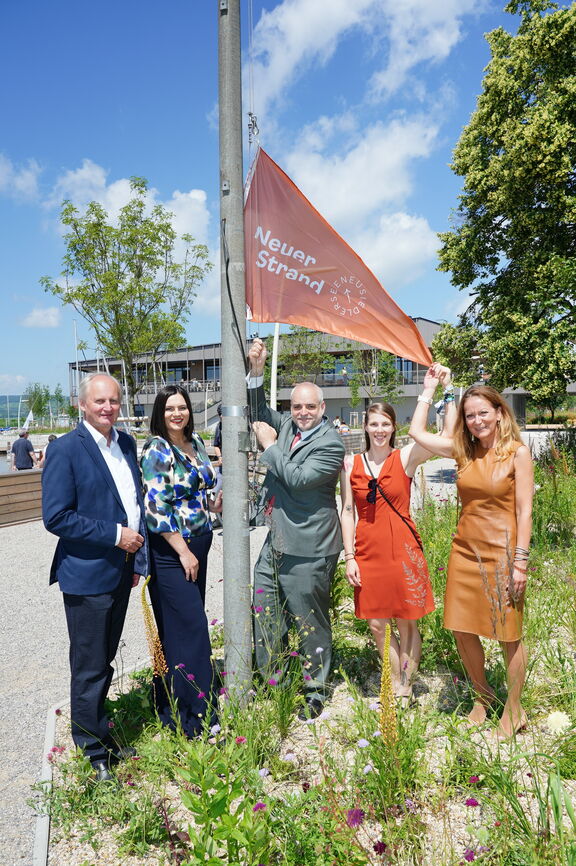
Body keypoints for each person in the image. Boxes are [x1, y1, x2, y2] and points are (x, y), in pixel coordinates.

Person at [409, 374, 533, 738]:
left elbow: (525, 511)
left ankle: (514, 710)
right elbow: (417, 433)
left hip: (504, 553)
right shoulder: (464, 450)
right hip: (464, 550)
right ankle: (484, 697)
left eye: (483, 413)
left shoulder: (517, 453)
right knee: (462, 629)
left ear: (499, 413)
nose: (476, 421)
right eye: (469, 415)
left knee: (509, 634)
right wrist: (428, 391)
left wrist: (521, 562)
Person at [42, 373, 148, 782]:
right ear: (82, 405)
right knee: (89, 665)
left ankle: (101, 733)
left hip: (120, 571)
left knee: (104, 660)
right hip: (87, 575)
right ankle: (93, 750)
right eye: (100, 401)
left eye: (114, 401)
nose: (108, 408)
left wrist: (135, 561)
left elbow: (132, 501)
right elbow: (57, 517)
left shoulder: (125, 443)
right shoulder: (65, 450)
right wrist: (115, 535)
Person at [340, 364, 455, 706]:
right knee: (377, 624)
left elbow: (447, 438)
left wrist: (439, 391)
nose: (379, 430)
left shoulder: (405, 457)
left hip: (403, 550)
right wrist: (349, 557)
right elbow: (347, 512)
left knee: (406, 622)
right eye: (373, 424)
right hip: (368, 552)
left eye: (385, 424)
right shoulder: (351, 464)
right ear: (365, 426)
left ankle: (405, 685)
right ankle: (392, 679)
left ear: (394, 427)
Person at [248, 337, 345, 720]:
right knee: (264, 608)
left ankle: (315, 687)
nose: (302, 412)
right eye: (296, 406)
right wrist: (257, 370)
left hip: (310, 546)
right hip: (277, 539)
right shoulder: (287, 425)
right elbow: (255, 410)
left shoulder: (331, 444)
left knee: (309, 620)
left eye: (309, 406)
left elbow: (299, 478)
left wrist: (270, 447)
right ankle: (274, 679)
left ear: (322, 408)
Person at [140, 385, 222, 738]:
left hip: (199, 544)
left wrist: (211, 504)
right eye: (170, 408)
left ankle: (171, 707)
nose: (177, 413)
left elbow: (196, 490)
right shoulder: (157, 448)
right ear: (160, 412)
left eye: (182, 407)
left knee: (179, 632)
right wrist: (183, 550)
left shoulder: (197, 443)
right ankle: (197, 717)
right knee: (191, 630)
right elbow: (155, 507)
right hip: (175, 552)